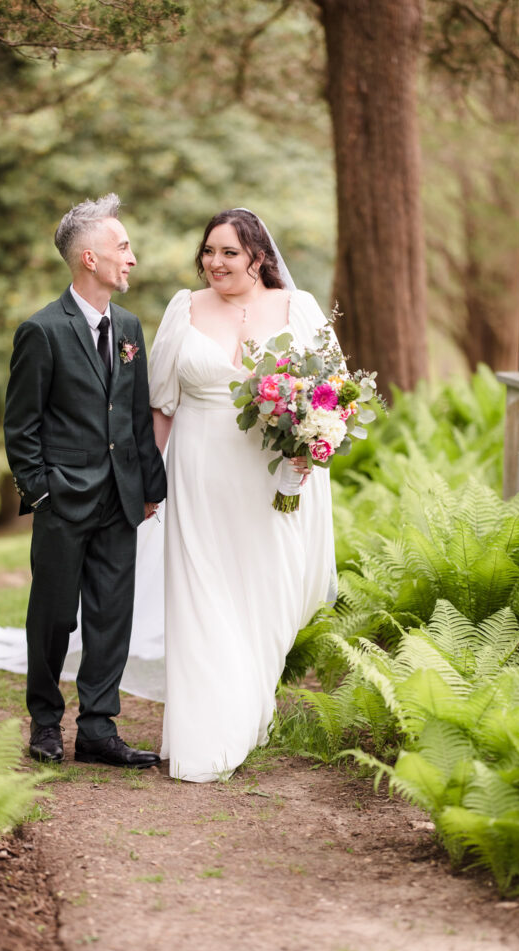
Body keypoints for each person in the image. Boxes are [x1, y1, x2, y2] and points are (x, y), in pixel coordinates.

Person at [148, 208, 337, 783]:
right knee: (203, 592)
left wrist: (311, 447)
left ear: (258, 256)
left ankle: (250, 705)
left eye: (228, 252)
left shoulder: (296, 309)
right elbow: (161, 403)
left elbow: (330, 396)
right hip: (198, 473)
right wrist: (150, 480)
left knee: (268, 593)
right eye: (208, 251)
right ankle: (206, 733)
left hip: (271, 476)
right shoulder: (184, 309)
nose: (214, 263)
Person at [3, 193, 166, 767]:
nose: (133, 257)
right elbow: (21, 426)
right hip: (63, 500)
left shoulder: (128, 327)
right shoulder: (42, 331)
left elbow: (135, 414)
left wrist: (150, 487)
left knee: (110, 616)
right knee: (52, 617)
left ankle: (98, 728)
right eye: (122, 246)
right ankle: (45, 722)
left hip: (121, 499)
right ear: (89, 259)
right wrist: (41, 490)